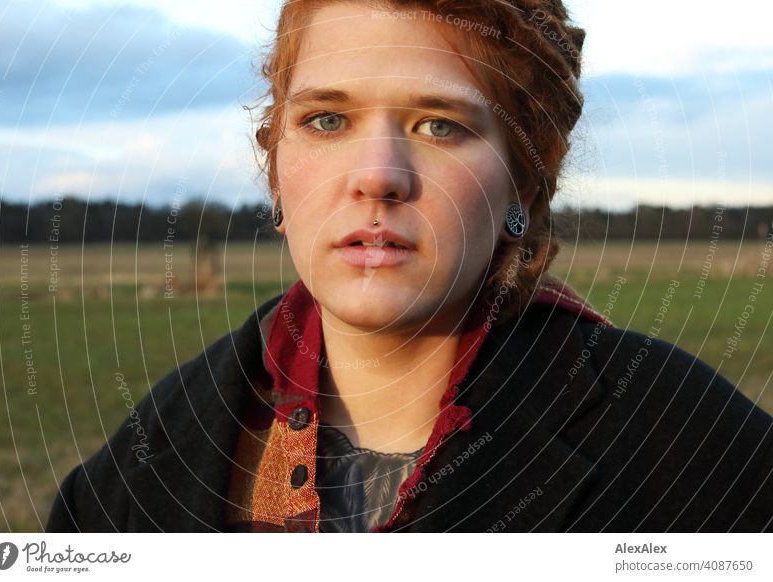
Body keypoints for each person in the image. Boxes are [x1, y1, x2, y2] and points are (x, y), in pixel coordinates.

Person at [46, 0, 773, 533]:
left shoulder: (701, 456)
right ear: (276, 168)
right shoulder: (157, 452)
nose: (377, 176)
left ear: (523, 182)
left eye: (440, 125)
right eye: (326, 120)